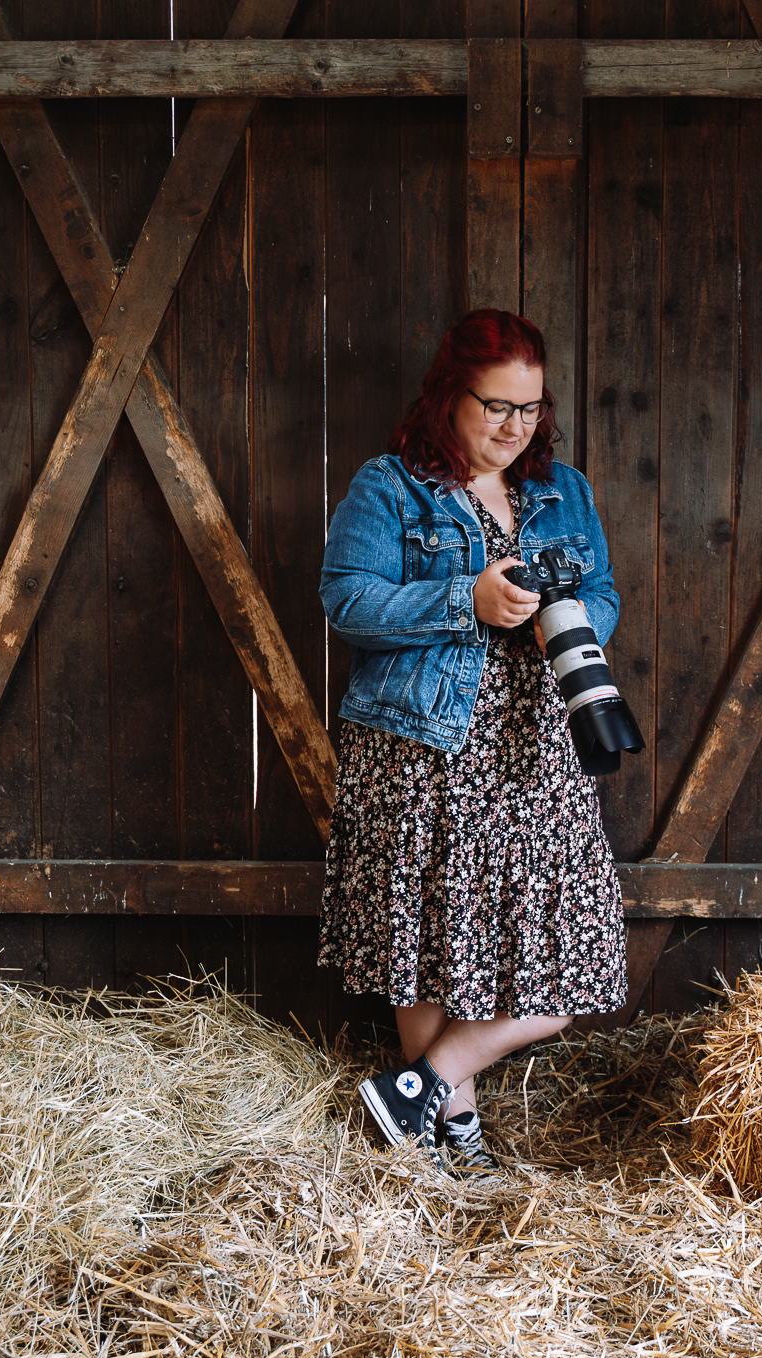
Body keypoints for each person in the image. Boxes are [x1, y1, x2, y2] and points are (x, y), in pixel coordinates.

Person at [317, 309, 629, 1176]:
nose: (514, 428)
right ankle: (452, 1133)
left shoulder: (563, 489)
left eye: (530, 410)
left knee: (576, 962)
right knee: (427, 947)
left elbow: (600, 590)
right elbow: (346, 599)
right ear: (449, 396)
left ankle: (414, 1090)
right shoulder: (391, 486)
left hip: (536, 747)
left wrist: (565, 623)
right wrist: (468, 601)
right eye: (496, 407)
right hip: (424, 748)